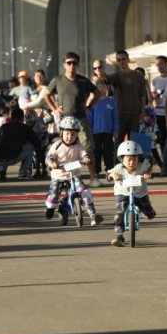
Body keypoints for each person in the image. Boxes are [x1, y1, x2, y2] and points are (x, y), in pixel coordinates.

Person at [44, 52, 102, 183]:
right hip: (65, 121)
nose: (72, 65)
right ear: (64, 65)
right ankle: (64, 177)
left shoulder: (83, 80)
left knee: (88, 148)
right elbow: (46, 94)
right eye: (69, 63)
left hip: (81, 119)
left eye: (74, 63)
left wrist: (89, 106)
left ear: (78, 65)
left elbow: (97, 93)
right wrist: (54, 108)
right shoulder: (57, 80)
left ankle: (93, 178)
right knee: (66, 149)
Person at [44, 116, 103, 226]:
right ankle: (50, 208)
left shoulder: (78, 145)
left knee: (86, 193)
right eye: (67, 133)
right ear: (62, 132)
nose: (70, 137)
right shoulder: (56, 145)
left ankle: (93, 216)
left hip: (74, 174)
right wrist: (52, 163)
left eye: (73, 134)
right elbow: (49, 157)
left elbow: (84, 154)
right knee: (54, 195)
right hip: (59, 174)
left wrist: (86, 159)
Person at [106, 140, 156, 247]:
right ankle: (120, 236)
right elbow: (110, 173)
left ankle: (142, 210)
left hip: (140, 193)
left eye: (135, 159)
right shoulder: (119, 168)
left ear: (139, 159)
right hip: (123, 193)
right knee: (120, 215)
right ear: (121, 159)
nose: (132, 163)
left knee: (150, 215)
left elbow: (150, 166)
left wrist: (148, 173)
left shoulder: (142, 166)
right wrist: (112, 176)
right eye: (129, 160)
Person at [107, 50, 146, 145]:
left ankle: (135, 160)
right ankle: (117, 160)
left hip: (134, 114)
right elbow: (105, 81)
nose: (121, 62)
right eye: (119, 60)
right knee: (118, 143)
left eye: (123, 59)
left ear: (128, 59)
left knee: (134, 143)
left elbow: (143, 96)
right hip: (119, 115)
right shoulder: (115, 76)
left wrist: (142, 113)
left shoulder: (138, 76)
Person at [0, 106, 40, 181]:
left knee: (1, 147)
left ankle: (2, 168)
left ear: (11, 116)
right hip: (12, 158)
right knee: (31, 145)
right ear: (22, 118)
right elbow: (37, 143)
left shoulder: (3, 126)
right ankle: (23, 173)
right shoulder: (25, 128)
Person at [86, 77, 118, 183]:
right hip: (96, 133)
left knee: (109, 153)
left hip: (108, 133)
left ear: (108, 87)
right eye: (99, 87)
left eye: (103, 86)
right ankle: (96, 172)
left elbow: (115, 118)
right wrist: (89, 131)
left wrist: (116, 130)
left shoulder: (112, 102)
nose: (101, 89)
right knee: (96, 153)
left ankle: (109, 170)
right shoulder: (93, 101)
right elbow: (89, 117)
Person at [152, 56, 167, 158]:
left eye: (161, 63)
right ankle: (166, 162)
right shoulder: (155, 80)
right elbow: (153, 98)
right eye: (157, 64)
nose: (159, 66)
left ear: (166, 64)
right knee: (162, 139)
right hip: (159, 113)